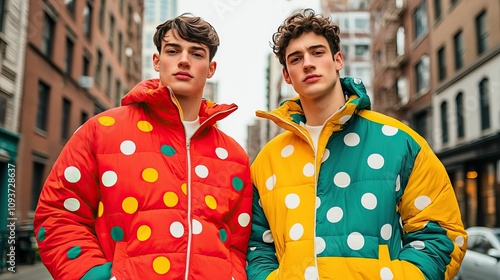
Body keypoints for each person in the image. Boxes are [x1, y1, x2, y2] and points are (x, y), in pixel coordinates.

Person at [246, 9, 466, 280]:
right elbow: (257, 247)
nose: (308, 63)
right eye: (296, 58)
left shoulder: (400, 142)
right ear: (287, 76)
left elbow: (439, 236)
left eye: (317, 52)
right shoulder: (267, 160)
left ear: (338, 60)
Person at [34, 13, 253, 280]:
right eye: (173, 50)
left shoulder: (234, 156)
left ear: (210, 69)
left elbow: (238, 243)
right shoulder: (101, 130)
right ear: (157, 61)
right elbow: (58, 216)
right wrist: (98, 276)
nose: (184, 60)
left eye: (197, 53)